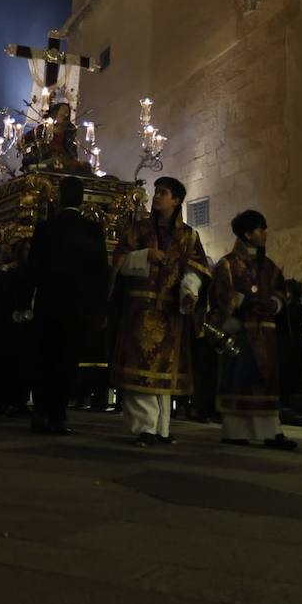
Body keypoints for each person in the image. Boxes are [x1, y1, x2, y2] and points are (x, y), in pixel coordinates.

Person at [110, 176, 209, 446]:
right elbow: (117, 260)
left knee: (163, 373)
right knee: (140, 369)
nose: (156, 197)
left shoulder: (189, 235)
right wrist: (144, 256)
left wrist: (191, 290)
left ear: (176, 200)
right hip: (139, 309)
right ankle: (144, 428)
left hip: (170, 311)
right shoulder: (137, 229)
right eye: (156, 192)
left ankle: (161, 428)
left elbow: (196, 268)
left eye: (163, 193)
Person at [19, 176, 110, 434]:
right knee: (67, 362)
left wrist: (26, 302)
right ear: (82, 200)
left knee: (44, 359)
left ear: (59, 197)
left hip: (49, 305)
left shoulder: (45, 228)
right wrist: (100, 308)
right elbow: (100, 272)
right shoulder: (93, 230)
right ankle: (58, 417)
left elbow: (32, 270)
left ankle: (40, 413)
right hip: (78, 308)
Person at [210, 210, 296, 449]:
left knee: (265, 380)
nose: (264, 234)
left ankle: (271, 431)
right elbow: (219, 296)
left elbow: (281, 291)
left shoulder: (269, 266)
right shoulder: (227, 264)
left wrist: (275, 303)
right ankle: (235, 431)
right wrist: (243, 302)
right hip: (241, 331)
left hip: (266, 332)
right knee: (240, 380)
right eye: (260, 229)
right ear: (247, 234)